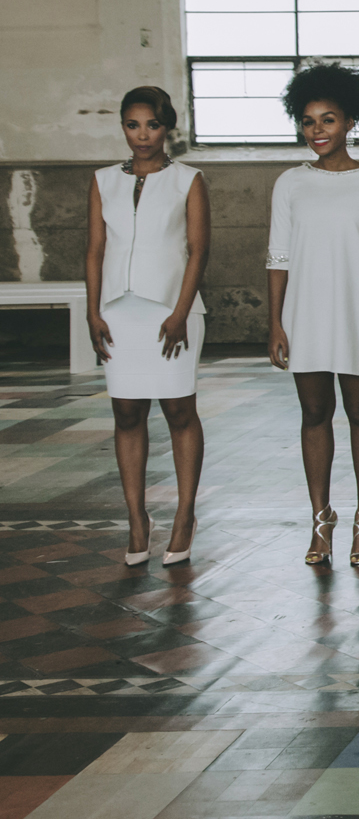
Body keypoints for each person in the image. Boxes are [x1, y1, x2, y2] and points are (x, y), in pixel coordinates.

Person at [266, 62, 359, 569]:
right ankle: (321, 520)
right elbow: (278, 257)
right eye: (308, 121)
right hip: (305, 315)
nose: (317, 130)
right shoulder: (289, 183)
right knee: (314, 415)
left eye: (328, 120)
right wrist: (276, 322)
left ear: (350, 122)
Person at [83, 86, 209, 567]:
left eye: (152, 125)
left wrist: (179, 312)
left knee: (180, 412)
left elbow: (198, 251)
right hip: (118, 312)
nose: (142, 135)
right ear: (123, 126)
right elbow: (95, 250)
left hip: (172, 314)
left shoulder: (188, 180)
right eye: (133, 125)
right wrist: (94, 311)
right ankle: (137, 519)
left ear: (168, 127)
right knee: (127, 414)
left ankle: (184, 516)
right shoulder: (102, 181)